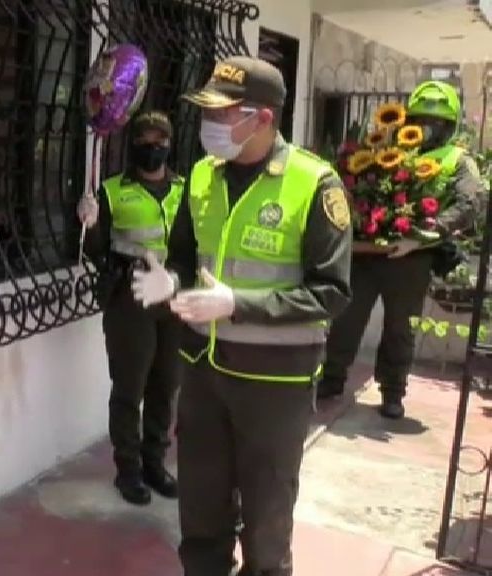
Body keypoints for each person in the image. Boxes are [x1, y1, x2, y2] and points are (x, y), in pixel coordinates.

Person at [130, 56, 352, 575]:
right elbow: (186, 258)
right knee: (201, 511)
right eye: (208, 112)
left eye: (224, 114)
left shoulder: (314, 184)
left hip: (275, 383)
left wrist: (238, 305)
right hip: (205, 373)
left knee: (266, 520)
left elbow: (333, 292)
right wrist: (172, 283)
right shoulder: (203, 177)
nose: (211, 124)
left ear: (263, 118)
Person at [318, 80, 484, 419]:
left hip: (412, 256)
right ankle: (331, 380)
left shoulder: (458, 160)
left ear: (450, 126)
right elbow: (350, 184)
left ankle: (393, 391)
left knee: (400, 328)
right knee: (346, 319)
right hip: (366, 252)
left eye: (437, 123)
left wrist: (424, 234)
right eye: (421, 120)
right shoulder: (384, 149)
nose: (427, 129)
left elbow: (471, 202)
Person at [77, 111, 184, 505]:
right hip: (130, 296)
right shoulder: (111, 190)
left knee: (166, 383)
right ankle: (129, 470)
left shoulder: (185, 190)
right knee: (130, 387)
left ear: (170, 144)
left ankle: (155, 463)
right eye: (145, 140)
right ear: (134, 144)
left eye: (160, 140)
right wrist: (88, 223)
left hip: (172, 295)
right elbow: (95, 251)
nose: (152, 147)